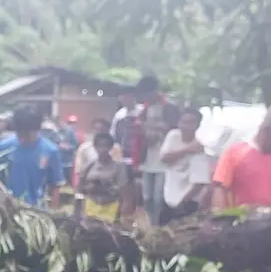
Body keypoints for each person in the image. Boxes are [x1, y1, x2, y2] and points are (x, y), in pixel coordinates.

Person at [211, 104, 271, 210]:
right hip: (242, 217)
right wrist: (219, 216)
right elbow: (220, 189)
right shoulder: (234, 152)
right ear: (265, 129)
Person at [0, 107, 65, 210]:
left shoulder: (51, 151)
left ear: (37, 129)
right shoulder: (4, 147)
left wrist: (52, 212)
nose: (23, 137)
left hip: (37, 210)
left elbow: (55, 186)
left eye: (27, 134)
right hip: (8, 209)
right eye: (20, 133)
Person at [132, 75, 181, 224]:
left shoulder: (170, 108)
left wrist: (152, 128)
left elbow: (174, 130)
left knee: (159, 196)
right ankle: (149, 224)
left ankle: (158, 225)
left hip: (165, 159)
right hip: (148, 157)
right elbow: (138, 131)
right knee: (147, 197)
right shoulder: (144, 110)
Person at [159, 108, 213, 224]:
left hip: (186, 203)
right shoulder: (173, 136)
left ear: (197, 126)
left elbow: (200, 183)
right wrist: (187, 149)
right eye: (183, 122)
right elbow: (164, 158)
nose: (186, 126)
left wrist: (182, 204)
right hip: (168, 198)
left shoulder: (199, 151)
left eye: (190, 123)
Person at [75, 132, 133, 226]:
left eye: (106, 146)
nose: (103, 149)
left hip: (111, 207)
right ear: (95, 147)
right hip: (91, 206)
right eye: (100, 146)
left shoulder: (119, 167)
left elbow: (125, 192)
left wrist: (124, 213)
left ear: (111, 147)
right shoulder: (88, 166)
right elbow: (79, 190)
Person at [73, 119, 120, 185]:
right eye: (97, 129)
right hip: (89, 184)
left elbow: (119, 167)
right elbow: (79, 170)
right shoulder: (83, 148)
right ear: (92, 130)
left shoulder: (116, 148)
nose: (99, 131)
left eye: (103, 129)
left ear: (108, 130)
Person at [58, 115, 81, 183]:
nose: (72, 125)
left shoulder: (77, 133)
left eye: (74, 123)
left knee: (70, 179)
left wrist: (67, 147)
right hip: (60, 160)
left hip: (69, 161)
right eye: (70, 123)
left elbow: (76, 145)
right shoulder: (57, 133)